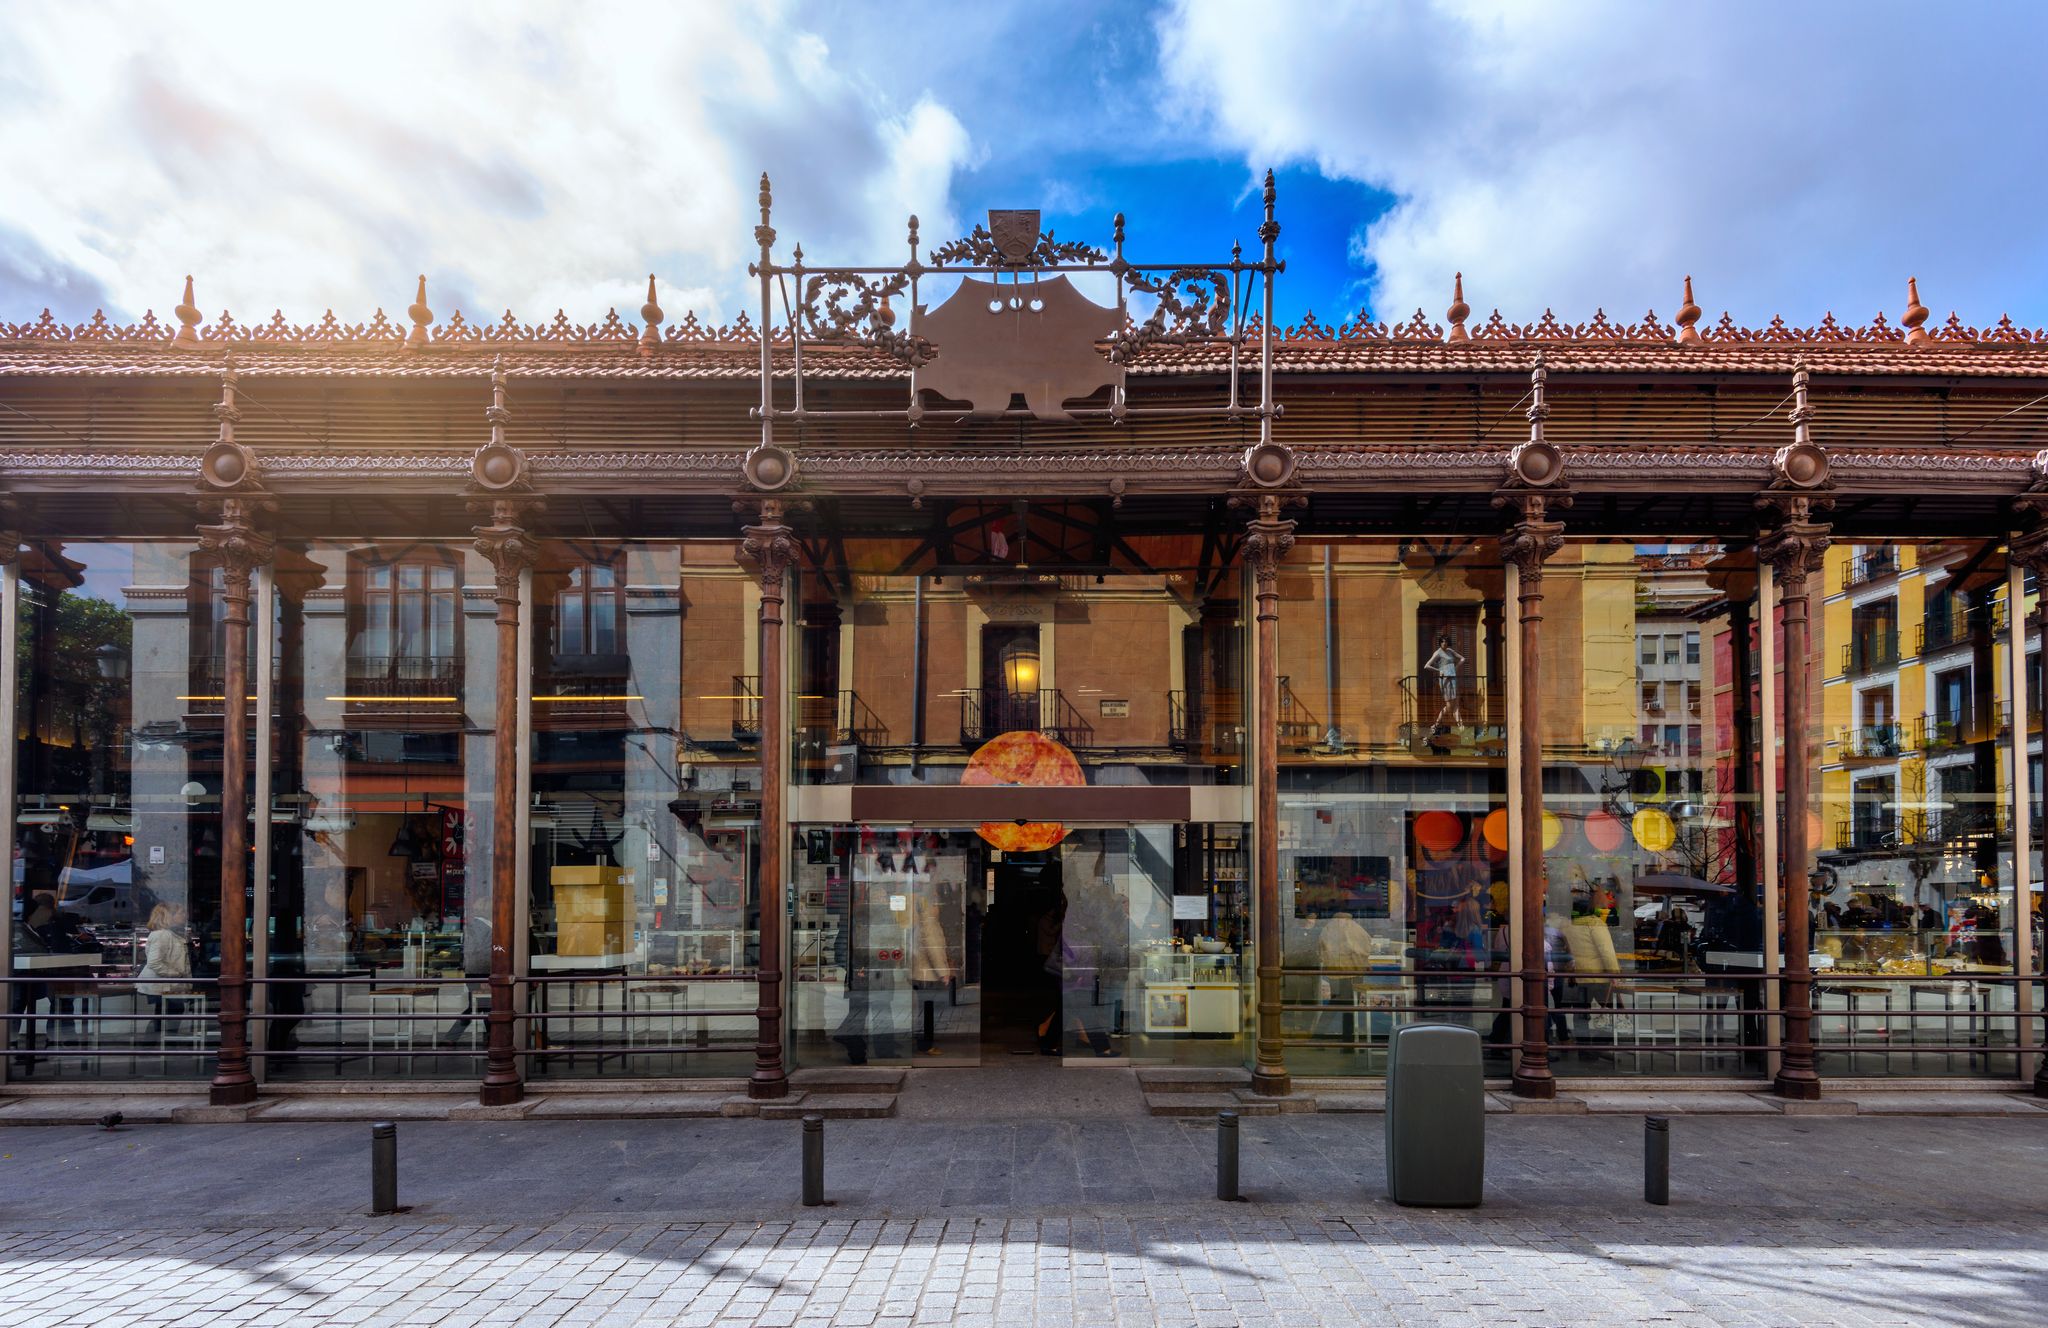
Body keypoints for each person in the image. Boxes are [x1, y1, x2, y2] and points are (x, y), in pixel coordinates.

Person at [136, 903, 194, 1038]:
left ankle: (156, 1044)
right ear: (169, 916)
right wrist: (176, 974)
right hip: (162, 984)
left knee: (164, 1013)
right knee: (170, 1012)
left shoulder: (170, 934)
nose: (185, 916)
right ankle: (161, 1043)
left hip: (165, 985)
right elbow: (155, 962)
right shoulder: (162, 935)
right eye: (181, 913)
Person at [1424, 633, 1466, 727]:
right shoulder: (1437, 652)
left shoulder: (1450, 651)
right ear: (1440, 642)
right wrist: (1439, 670)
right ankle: (1436, 724)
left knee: (1455, 704)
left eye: (1446, 641)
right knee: (1449, 706)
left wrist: (1456, 668)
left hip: (1453, 679)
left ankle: (1461, 727)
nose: (1444, 643)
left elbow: (1463, 659)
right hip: (1445, 680)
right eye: (1442, 641)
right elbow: (1427, 666)